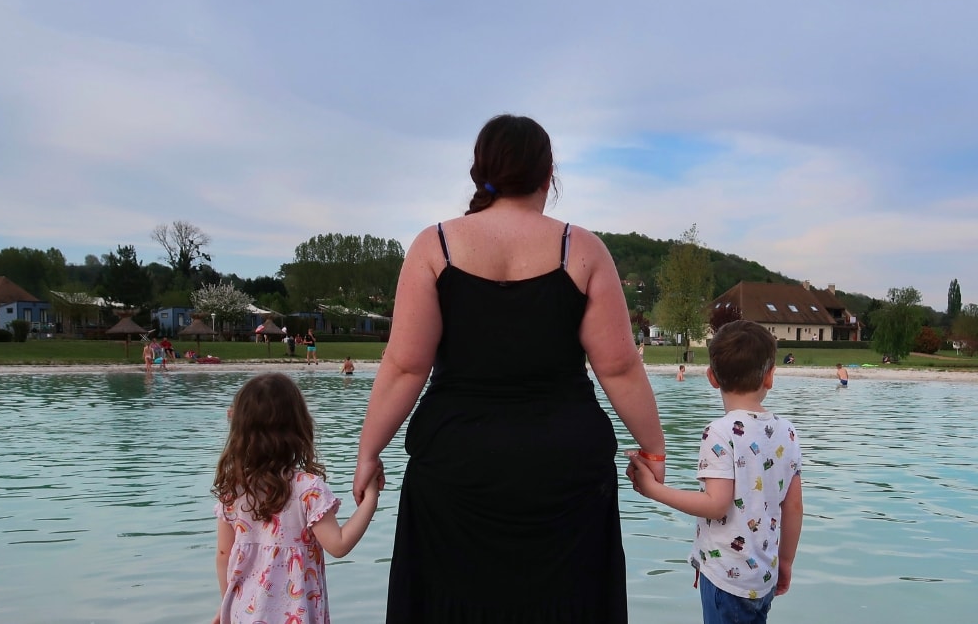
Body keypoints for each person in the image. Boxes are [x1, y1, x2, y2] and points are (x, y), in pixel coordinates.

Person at [354, 114, 666, 623]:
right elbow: (620, 366)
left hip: (456, 466)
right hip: (565, 471)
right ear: (549, 177)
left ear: (480, 173)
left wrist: (369, 451)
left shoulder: (435, 247)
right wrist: (653, 447)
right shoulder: (581, 249)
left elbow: (406, 366)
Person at [626, 320, 803, 624]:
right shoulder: (787, 432)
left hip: (727, 580)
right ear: (770, 377)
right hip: (764, 577)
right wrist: (785, 560)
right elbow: (795, 506)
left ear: (711, 377)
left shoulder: (720, 433)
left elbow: (716, 504)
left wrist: (653, 489)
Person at [211, 373, 382, 624]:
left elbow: (224, 554)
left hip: (243, 613)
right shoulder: (307, 489)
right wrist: (371, 499)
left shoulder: (234, 490)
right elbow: (339, 544)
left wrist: (226, 604)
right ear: (299, 426)